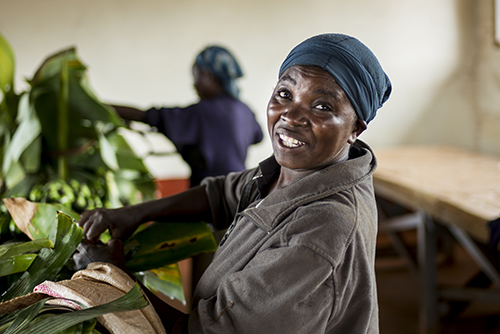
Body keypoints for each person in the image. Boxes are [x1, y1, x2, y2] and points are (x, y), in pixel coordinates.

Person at [74, 33, 392, 333]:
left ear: (355, 129)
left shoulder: (320, 231)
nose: (291, 116)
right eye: (285, 94)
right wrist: (133, 214)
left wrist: (112, 276)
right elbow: (221, 193)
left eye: (322, 106)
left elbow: (210, 331)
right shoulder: (288, 171)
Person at [113, 45, 264, 187]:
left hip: (209, 194)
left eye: (196, 77)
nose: (194, 85)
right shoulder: (245, 110)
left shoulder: (201, 112)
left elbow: (148, 116)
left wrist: (100, 108)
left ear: (208, 77)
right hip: (241, 189)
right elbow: (258, 137)